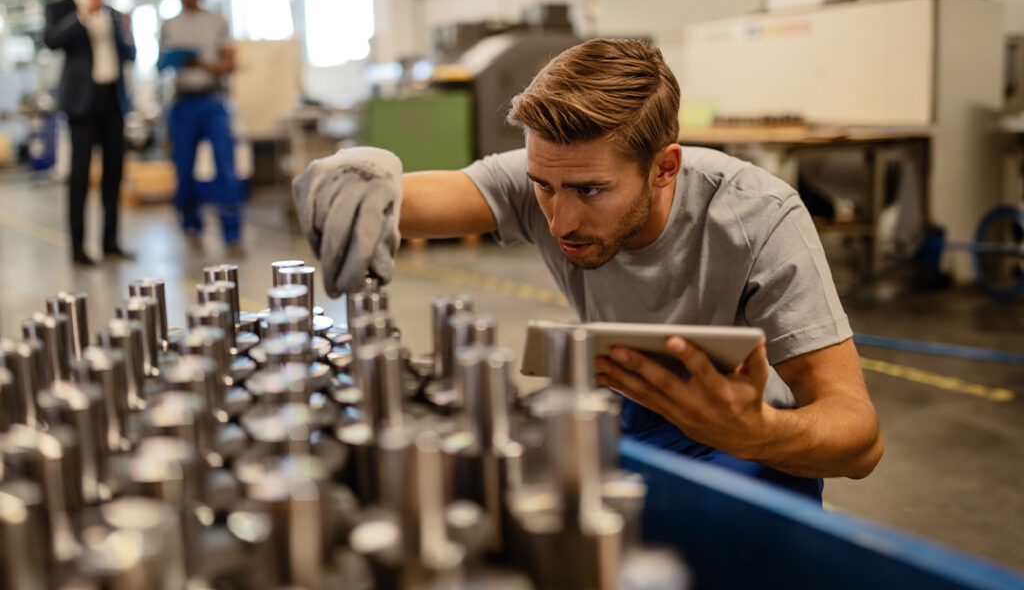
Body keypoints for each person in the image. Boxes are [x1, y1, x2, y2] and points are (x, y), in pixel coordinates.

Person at [292, 39, 883, 501]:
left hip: (736, 419)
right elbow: (420, 201)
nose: (559, 220)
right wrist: (367, 176)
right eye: (542, 188)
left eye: (590, 190)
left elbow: (859, 438)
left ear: (664, 167)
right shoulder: (553, 170)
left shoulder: (758, 216)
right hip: (618, 403)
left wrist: (753, 432)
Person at [43, 0, 136, 266]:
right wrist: (83, 14)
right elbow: (52, 40)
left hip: (112, 99)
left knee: (113, 174)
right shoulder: (62, 7)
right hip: (82, 102)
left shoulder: (112, 12)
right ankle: (79, 248)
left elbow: (130, 54)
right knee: (80, 176)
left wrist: (127, 29)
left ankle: (110, 241)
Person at [159, 0, 243, 247]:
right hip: (183, 104)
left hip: (212, 101)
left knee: (225, 167)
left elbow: (229, 64)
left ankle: (231, 230)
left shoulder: (217, 21)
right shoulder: (169, 25)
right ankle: (191, 224)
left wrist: (201, 62)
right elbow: (163, 66)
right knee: (183, 169)